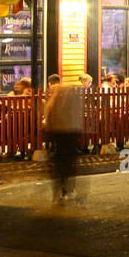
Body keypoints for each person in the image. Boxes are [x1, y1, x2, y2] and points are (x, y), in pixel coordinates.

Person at [41, 74, 83, 203]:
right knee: (70, 162)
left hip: (59, 133)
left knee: (59, 161)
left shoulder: (55, 95)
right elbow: (78, 114)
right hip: (72, 132)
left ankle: (60, 189)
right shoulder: (72, 96)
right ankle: (68, 188)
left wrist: (48, 127)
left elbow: (48, 113)